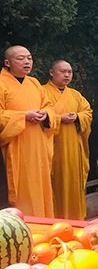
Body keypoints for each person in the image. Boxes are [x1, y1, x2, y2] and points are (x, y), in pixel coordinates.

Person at [0, 46, 55, 216]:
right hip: (16, 147)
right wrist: (23, 115)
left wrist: (45, 114)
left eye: (29, 58)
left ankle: (45, 226)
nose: (26, 62)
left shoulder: (34, 83)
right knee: (21, 191)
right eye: (21, 58)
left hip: (37, 147)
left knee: (41, 189)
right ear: (7, 62)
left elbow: (49, 106)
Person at [43, 60, 92, 220]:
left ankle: (78, 220)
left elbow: (87, 112)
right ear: (52, 72)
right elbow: (40, 116)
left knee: (74, 186)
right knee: (55, 186)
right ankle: (56, 221)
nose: (66, 75)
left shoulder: (75, 95)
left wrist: (78, 117)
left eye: (69, 72)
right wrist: (58, 118)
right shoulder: (42, 92)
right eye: (62, 71)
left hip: (73, 150)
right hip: (53, 149)